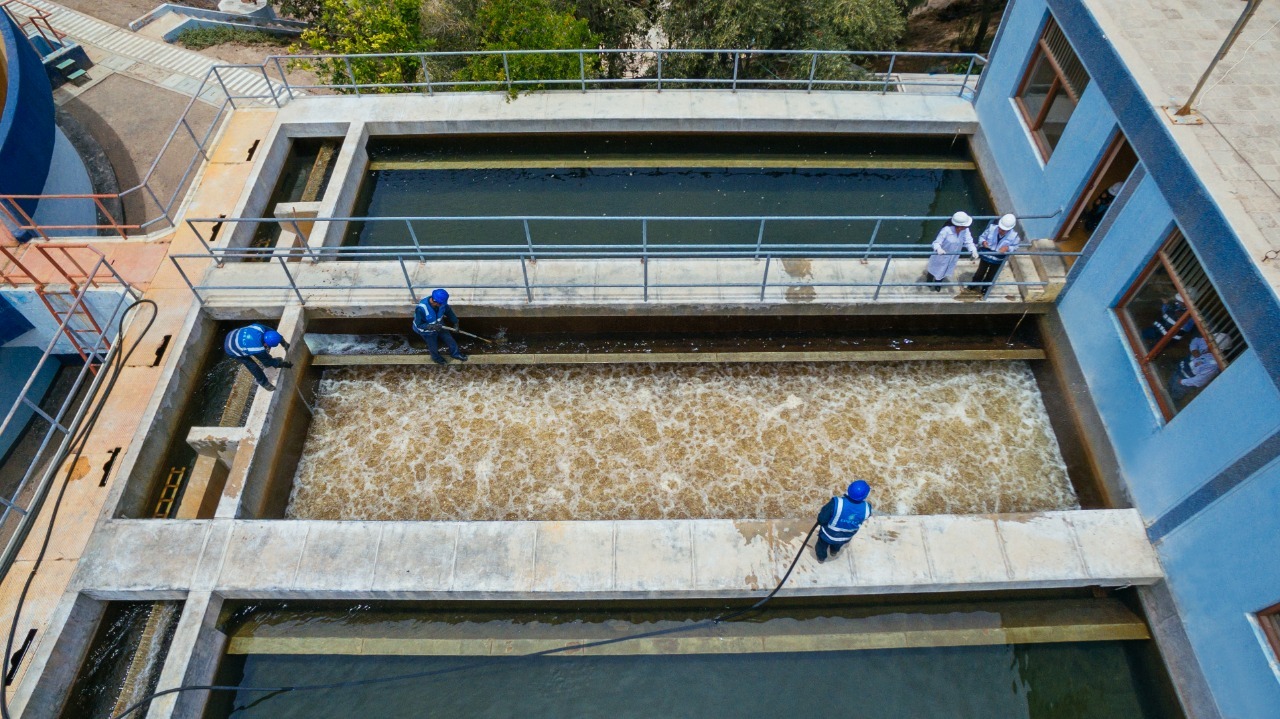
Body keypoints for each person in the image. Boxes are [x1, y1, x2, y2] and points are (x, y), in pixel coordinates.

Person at [814, 480, 873, 562]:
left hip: (828, 534)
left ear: (849, 490)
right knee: (837, 544)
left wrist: (821, 522)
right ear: (865, 495)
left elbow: (822, 518)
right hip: (845, 536)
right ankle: (834, 551)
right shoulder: (867, 508)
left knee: (822, 545)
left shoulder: (836, 502)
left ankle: (821, 557)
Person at [225, 323, 291, 391]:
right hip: (231, 348)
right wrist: (280, 364)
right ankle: (264, 383)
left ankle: (268, 365)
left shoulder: (260, 328)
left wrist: (283, 342)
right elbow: (266, 359)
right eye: (267, 345)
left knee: (262, 354)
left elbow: (274, 333)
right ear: (266, 343)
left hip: (233, 334)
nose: (267, 347)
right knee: (252, 365)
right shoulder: (257, 348)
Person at [1168, 333, 1231, 401]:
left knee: (1172, 398)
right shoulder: (1206, 342)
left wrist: (1182, 382)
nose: (1208, 344)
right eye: (1210, 341)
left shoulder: (1213, 365)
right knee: (1168, 387)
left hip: (1183, 383)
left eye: (1212, 344)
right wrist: (1194, 349)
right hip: (1178, 371)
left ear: (1220, 349)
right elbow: (1195, 341)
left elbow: (1199, 381)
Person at [967, 214, 1020, 293]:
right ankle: (974, 284)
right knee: (980, 271)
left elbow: (1015, 247)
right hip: (986, 255)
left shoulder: (1014, 236)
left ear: (1009, 229)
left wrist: (1008, 248)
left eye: (1003, 230)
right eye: (1000, 228)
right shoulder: (992, 228)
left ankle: (985, 287)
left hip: (998, 259)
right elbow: (982, 237)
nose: (1000, 230)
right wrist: (983, 242)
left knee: (992, 274)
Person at [413, 288, 468, 365]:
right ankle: (436, 358)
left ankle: (455, 354)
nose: (443, 304)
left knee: (450, 340)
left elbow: (449, 312)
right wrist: (431, 327)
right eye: (441, 303)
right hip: (427, 331)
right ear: (434, 301)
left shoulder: (442, 304)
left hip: (440, 325)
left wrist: (456, 323)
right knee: (433, 346)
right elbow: (419, 324)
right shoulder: (421, 309)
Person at [925, 211, 977, 292]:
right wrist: (938, 249)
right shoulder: (946, 230)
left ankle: (938, 283)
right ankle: (929, 279)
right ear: (959, 226)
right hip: (941, 255)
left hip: (952, 256)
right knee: (934, 268)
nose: (966, 227)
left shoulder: (965, 231)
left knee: (943, 271)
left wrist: (973, 249)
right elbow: (936, 242)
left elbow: (969, 241)